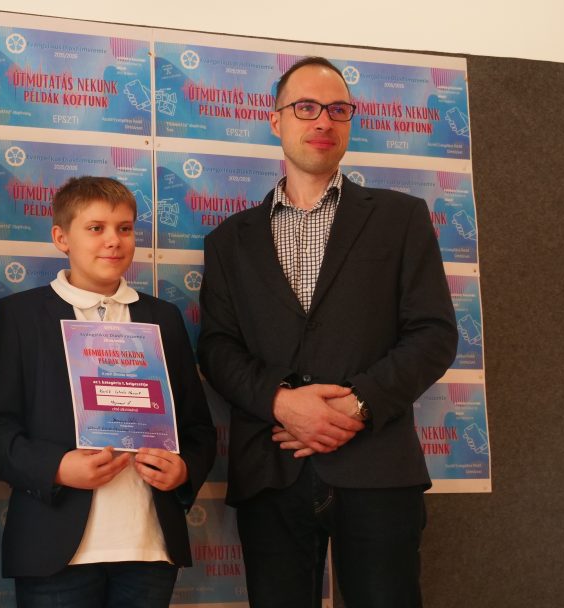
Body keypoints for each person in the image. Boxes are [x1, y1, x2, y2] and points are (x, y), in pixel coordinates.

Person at [197, 56, 458, 608]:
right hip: (272, 468)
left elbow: (433, 334)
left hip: (378, 466)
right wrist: (281, 402)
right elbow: (218, 348)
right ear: (276, 120)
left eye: (338, 110)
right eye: (307, 107)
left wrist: (356, 406)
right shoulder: (229, 240)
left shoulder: (401, 218)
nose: (323, 121)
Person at [0, 176, 216, 608]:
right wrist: (56, 468)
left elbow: (198, 429)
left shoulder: (162, 318)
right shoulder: (21, 316)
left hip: (149, 548)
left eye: (125, 228)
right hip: (54, 550)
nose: (113, 241)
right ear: (61, 238)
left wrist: (183, 471)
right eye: (96, 228)